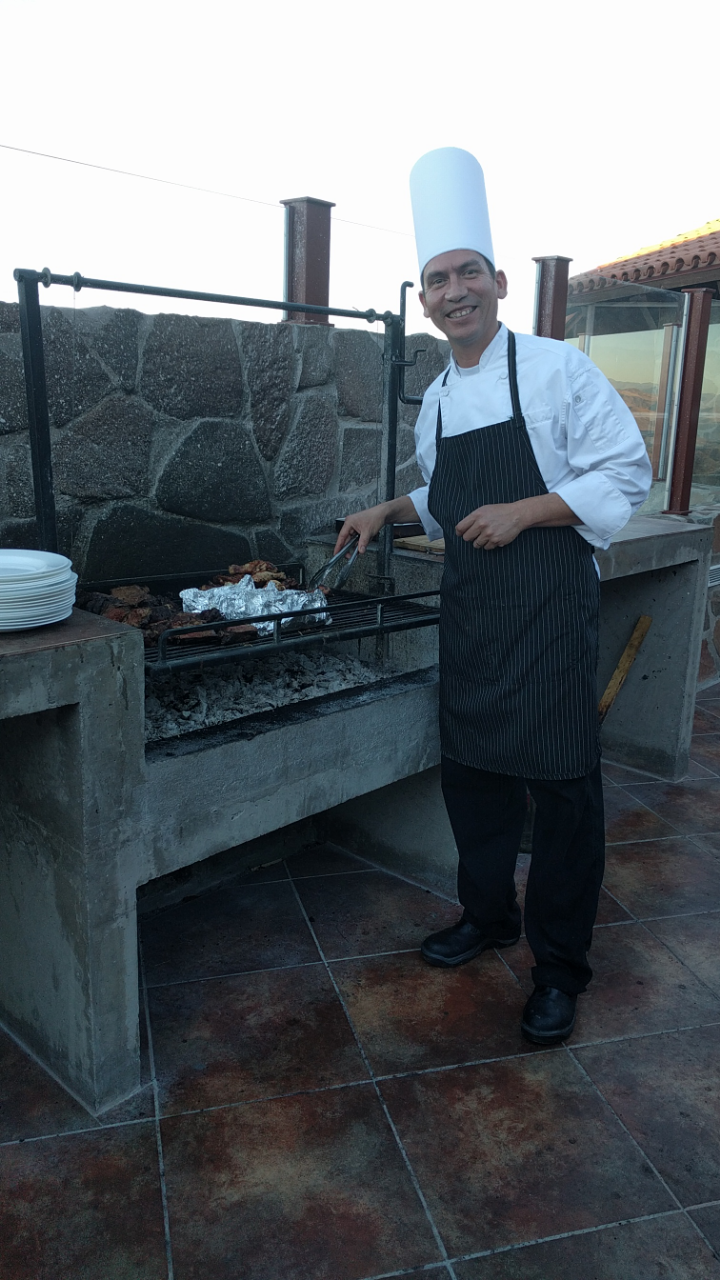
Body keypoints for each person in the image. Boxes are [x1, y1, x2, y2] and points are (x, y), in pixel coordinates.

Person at [334, 147, 652, 1044]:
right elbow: (448, 498)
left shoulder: (557, 370)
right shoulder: (435, 399)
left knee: (562, 799)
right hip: (476, 617)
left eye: (467, 272)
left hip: (549, 613)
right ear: (424, 300)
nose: (454, 290)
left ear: (499, 282)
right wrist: (389, 506)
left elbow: (625, 472)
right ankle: (487, 915)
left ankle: (559, 968)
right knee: (473, 785)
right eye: (437, 280)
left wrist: (526, 512)